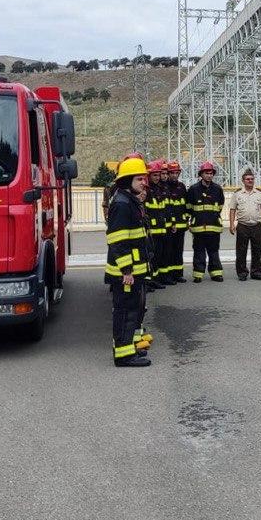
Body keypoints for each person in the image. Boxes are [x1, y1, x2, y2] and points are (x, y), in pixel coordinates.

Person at [105, 156, 153, 367]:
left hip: (133, 271)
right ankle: (124, 356)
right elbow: (118, 240)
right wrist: (126, 270)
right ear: (127, 181)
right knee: (125, 312)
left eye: (144, 178)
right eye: (139, 179)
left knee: (133, 311)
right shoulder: (122, 204)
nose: (144, 182)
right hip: (126, 273)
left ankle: (129, 349)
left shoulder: (129, 201)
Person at [228, 168, 261, 281]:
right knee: (241, 251)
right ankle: (242, 273)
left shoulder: (260, 194)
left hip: (256, 226)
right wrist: (231, 224)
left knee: (257, 250)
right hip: (243, 226)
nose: (250, 181)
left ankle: (256, 272)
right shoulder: (237, 194)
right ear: (243, 181)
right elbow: (232, 210)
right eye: (247, 179)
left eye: (252, 179)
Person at [186, 161, 225, 283]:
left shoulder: (218, 189)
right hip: (198, 227)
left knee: (214, 251)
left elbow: (220, 206)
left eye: (211, 173)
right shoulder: (193, 189)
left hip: (214, 226)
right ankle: (198, 274)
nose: (209, 175)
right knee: (199, 251)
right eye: (207, 173)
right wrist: (189, 220)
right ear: (201, 174)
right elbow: (188, 207)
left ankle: (216, 273)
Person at [144, 160, 169, 291]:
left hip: (161, 228)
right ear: (149, 175)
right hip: (151, 230)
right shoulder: (146, 190)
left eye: (158, 175)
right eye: (154, 175)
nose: (157, 177)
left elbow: (163, 209)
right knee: (150, 256)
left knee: (159, 255)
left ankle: (155, 279)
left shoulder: (160, 189)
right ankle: (149, 281)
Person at [165, 159, 189, 283]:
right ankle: (169, 275)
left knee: (179, 250)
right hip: (169, 226)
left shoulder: (181, 187)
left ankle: (178, 274)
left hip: (181, 224)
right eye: (172, 173)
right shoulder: (164, 187)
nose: (174, 175)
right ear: (168, 173)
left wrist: (187, 220)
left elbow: (186, 205)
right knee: (169, 250)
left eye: (176, 173)